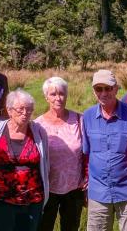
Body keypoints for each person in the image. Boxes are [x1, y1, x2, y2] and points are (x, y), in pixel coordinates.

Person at [0, 89, 50, 231]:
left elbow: (45, 163)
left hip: (31, 201)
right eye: (21, 109)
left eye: (29, 109)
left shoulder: (38, 132)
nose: (25, 113)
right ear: (9, 110)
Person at [82, 69, 127, 231]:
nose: (103, 93)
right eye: (98, 89)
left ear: (116, 88)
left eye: (108, 88)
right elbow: (86, 154)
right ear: (94, 91)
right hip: (98, 191)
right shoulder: (87, 116)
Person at [35, 77, 86, 231]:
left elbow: (88, 152)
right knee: (44, 227)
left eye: (62, 93)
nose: (58, 98)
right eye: (53, 94)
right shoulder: (37, 125)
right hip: (46, 189)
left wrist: (87, 176)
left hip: (74, 187)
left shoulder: (79, 120)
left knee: (71, 227)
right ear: (46, 97)